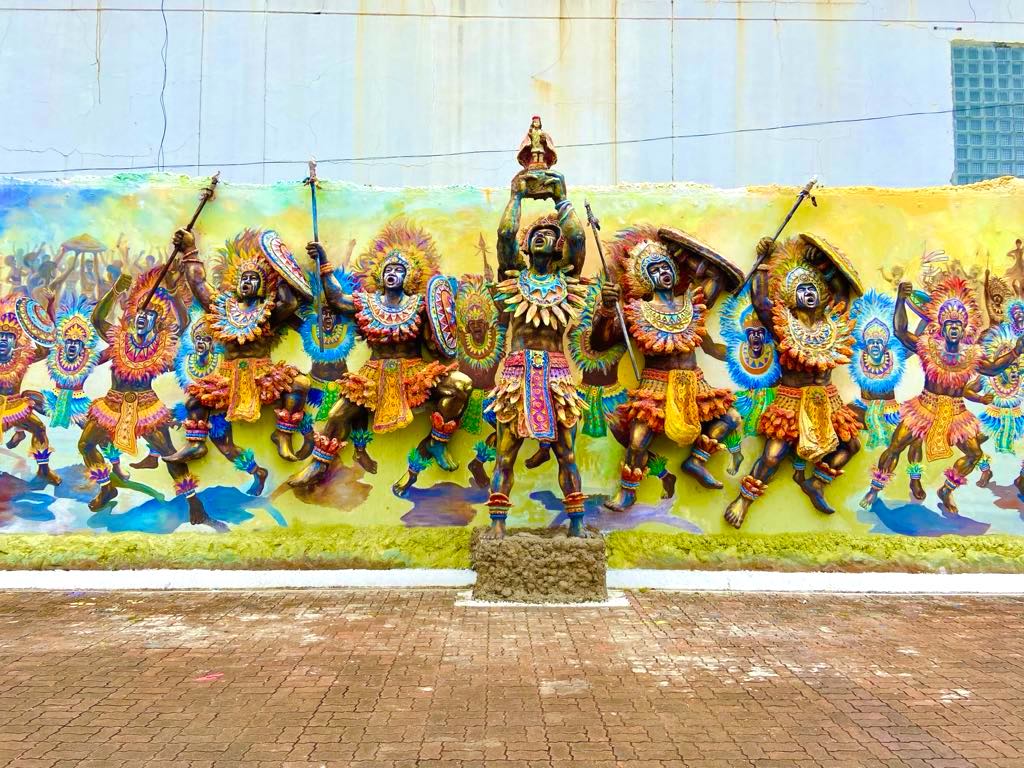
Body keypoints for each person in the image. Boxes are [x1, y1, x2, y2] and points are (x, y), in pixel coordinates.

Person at [289, 222, 471, 494]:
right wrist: (324, 262)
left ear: (409, 277)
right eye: (388, 269)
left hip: (414, 373)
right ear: (380, 275)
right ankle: (318, 465)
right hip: (374, 375)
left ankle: (438, 442)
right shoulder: (367, 303)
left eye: (399, 270)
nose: (392, 273)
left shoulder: (420, 305)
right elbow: (337, 299)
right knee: (338, 413)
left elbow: (440, 334)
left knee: (460, 384)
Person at [591, 227, 742, 512]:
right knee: (638, 440)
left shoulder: (692, 303)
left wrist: (680, 252)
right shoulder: (635, 310)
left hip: (694, 384)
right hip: (655, 385)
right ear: (644, 278)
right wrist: (607, 310)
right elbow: (599, 343)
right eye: (654, 269)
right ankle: (627, 492)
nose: (663, 272)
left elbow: (718, 276)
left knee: (731, 418)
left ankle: (696, 460)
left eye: (666, 267)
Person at [723, 234, 863, 528]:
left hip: (827, 399)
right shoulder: (783, 324)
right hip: (791, 399)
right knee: (772, 455)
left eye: (812, 288)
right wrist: (763, 261)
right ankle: (744, 501)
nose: (808, 293)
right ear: (791, 297)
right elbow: (760, 301)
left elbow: (843, 294)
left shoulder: (832, 323)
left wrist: (824, 265)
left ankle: (818, 483)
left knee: (851, 446)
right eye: (801, 289)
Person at [859, 276, 1024, 514]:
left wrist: (1016, 352)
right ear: (942, 327)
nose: (954, 327)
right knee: (896, 446)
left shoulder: (972, 354)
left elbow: (993, 368)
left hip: (956, 414)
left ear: (964, 328)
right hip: (923, 409)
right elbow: (901, 332)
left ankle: (946, 490)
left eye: (958, 324)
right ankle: (875, 488)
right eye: (949, 324)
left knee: (974, 454)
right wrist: (901, 300)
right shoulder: (929, 346)